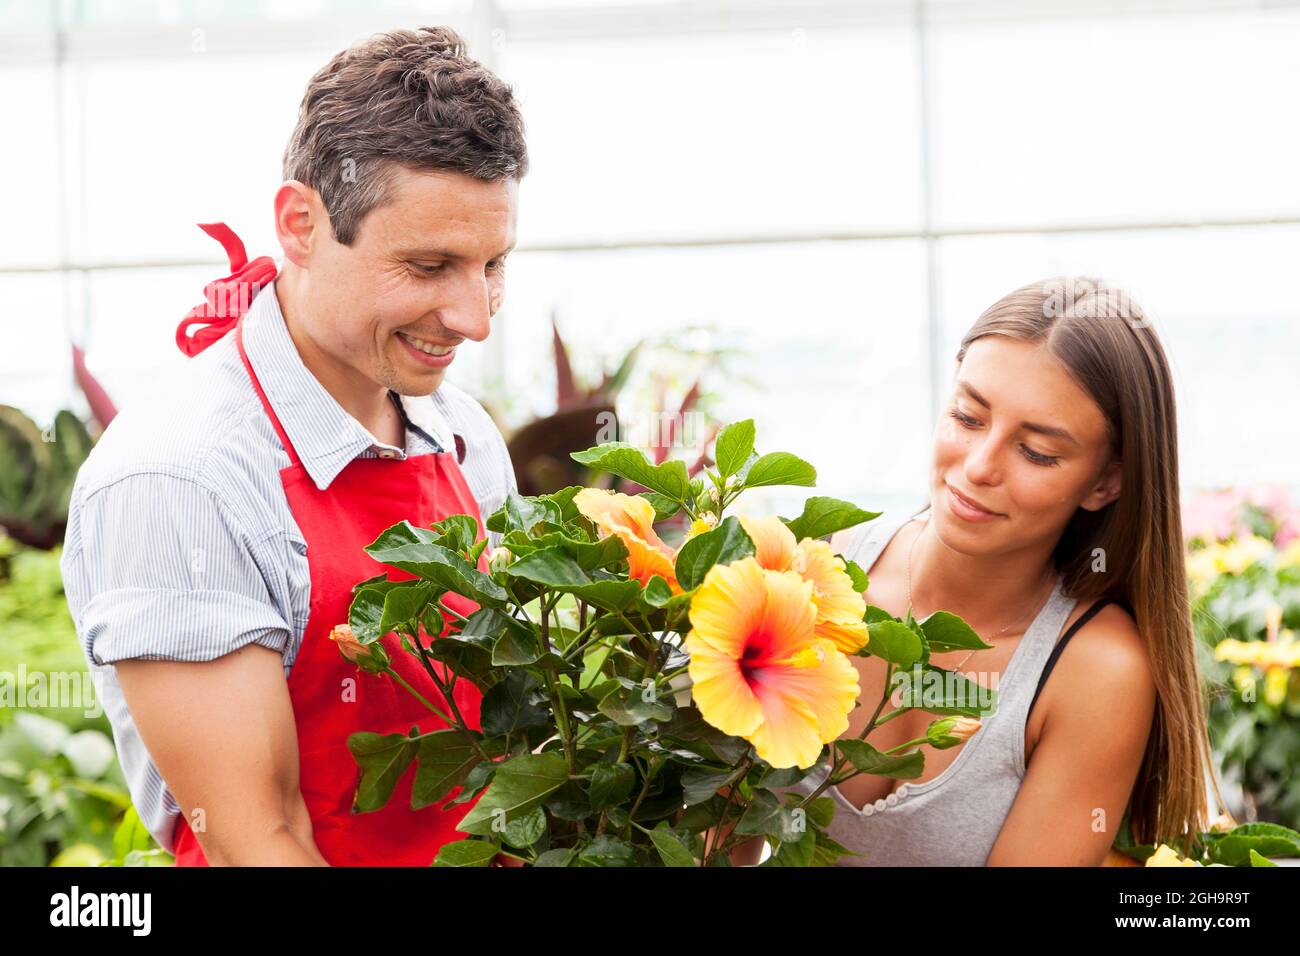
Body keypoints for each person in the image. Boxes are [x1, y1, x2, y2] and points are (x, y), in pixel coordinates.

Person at [60, 25, 527, 866]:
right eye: (428, 267)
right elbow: (257, 842)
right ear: (302, 224)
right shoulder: (181, 478)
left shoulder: (463, 435)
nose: (475, 318)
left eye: (493, 264)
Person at [731, 276, 1225, 866]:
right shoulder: (805, 572)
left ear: (1105, 482)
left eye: (1037, 452)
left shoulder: (1096, 671)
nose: (979, 466)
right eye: (968, 417)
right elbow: (707, 840)